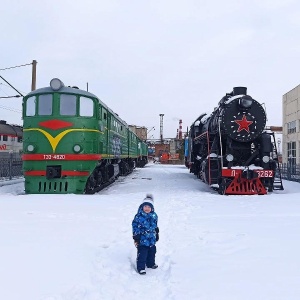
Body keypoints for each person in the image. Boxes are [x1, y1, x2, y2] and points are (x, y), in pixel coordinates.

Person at [132, 194, 159, 275]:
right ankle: (141, 268)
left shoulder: (154, 216)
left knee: (152, 252)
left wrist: (157, 232)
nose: (147, 208)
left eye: (149, 207)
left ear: (152, 208)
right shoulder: (138, 216)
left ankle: (150, 264)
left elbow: (155, 225)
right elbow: (135, 226)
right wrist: (136, 236)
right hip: (142, 239)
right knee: (142, 254)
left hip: (151, 238)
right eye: (145, 206)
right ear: (142, 207)